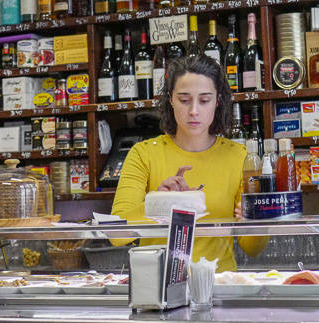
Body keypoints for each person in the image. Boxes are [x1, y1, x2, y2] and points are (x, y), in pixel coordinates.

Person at [111, 54, 265, 271]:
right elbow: (116, 235)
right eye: (184, 100)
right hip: (156, 283)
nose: (194, 111)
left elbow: (253, 248)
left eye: (204, 100)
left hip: (219, 282)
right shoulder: (143, 154)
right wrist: (159, 204)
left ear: (218, 101)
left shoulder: (241, 157)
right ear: (170, 100)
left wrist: (253, 220)